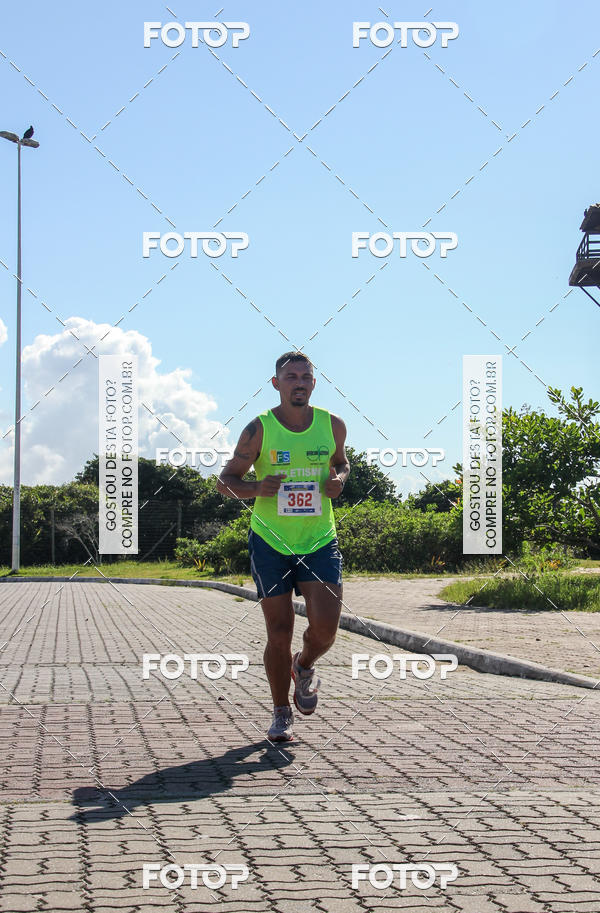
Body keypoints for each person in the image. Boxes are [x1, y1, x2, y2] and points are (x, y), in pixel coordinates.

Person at [217, 352, 350, 742]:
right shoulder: (258, 429)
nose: (299, 382)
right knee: (279, 631)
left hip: (318, 540)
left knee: (325, 629)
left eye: (305, 377)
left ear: (313, 383)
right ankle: (280, 712)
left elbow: (341, 463)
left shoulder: (333, 425)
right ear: (276, 384)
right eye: (290, 376)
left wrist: (338, 479)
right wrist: (258, 488)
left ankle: (304, 665)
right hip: (270, 543)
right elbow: (225, 481)